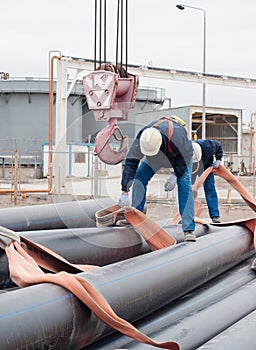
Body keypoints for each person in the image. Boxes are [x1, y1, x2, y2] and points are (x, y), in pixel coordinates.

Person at [118, 116, 196, 242]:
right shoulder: (143, 137)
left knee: (184, 185)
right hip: (155, 157)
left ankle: (188, 229)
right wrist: (124, 191)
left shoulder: (177, 136)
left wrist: (176, 175)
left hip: (180, 157)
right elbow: (131, 163)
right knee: (139, 178)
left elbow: (186, 156)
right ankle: (136, 217)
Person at [191, 139, 223, 223]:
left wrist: (218, 158)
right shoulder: (186, 150)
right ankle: (186, 214)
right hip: (192, 168)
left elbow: (218, 145)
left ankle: (215, 216)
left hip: (206, 168)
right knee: (188, 190)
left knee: (210, 189)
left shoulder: (208, 146)